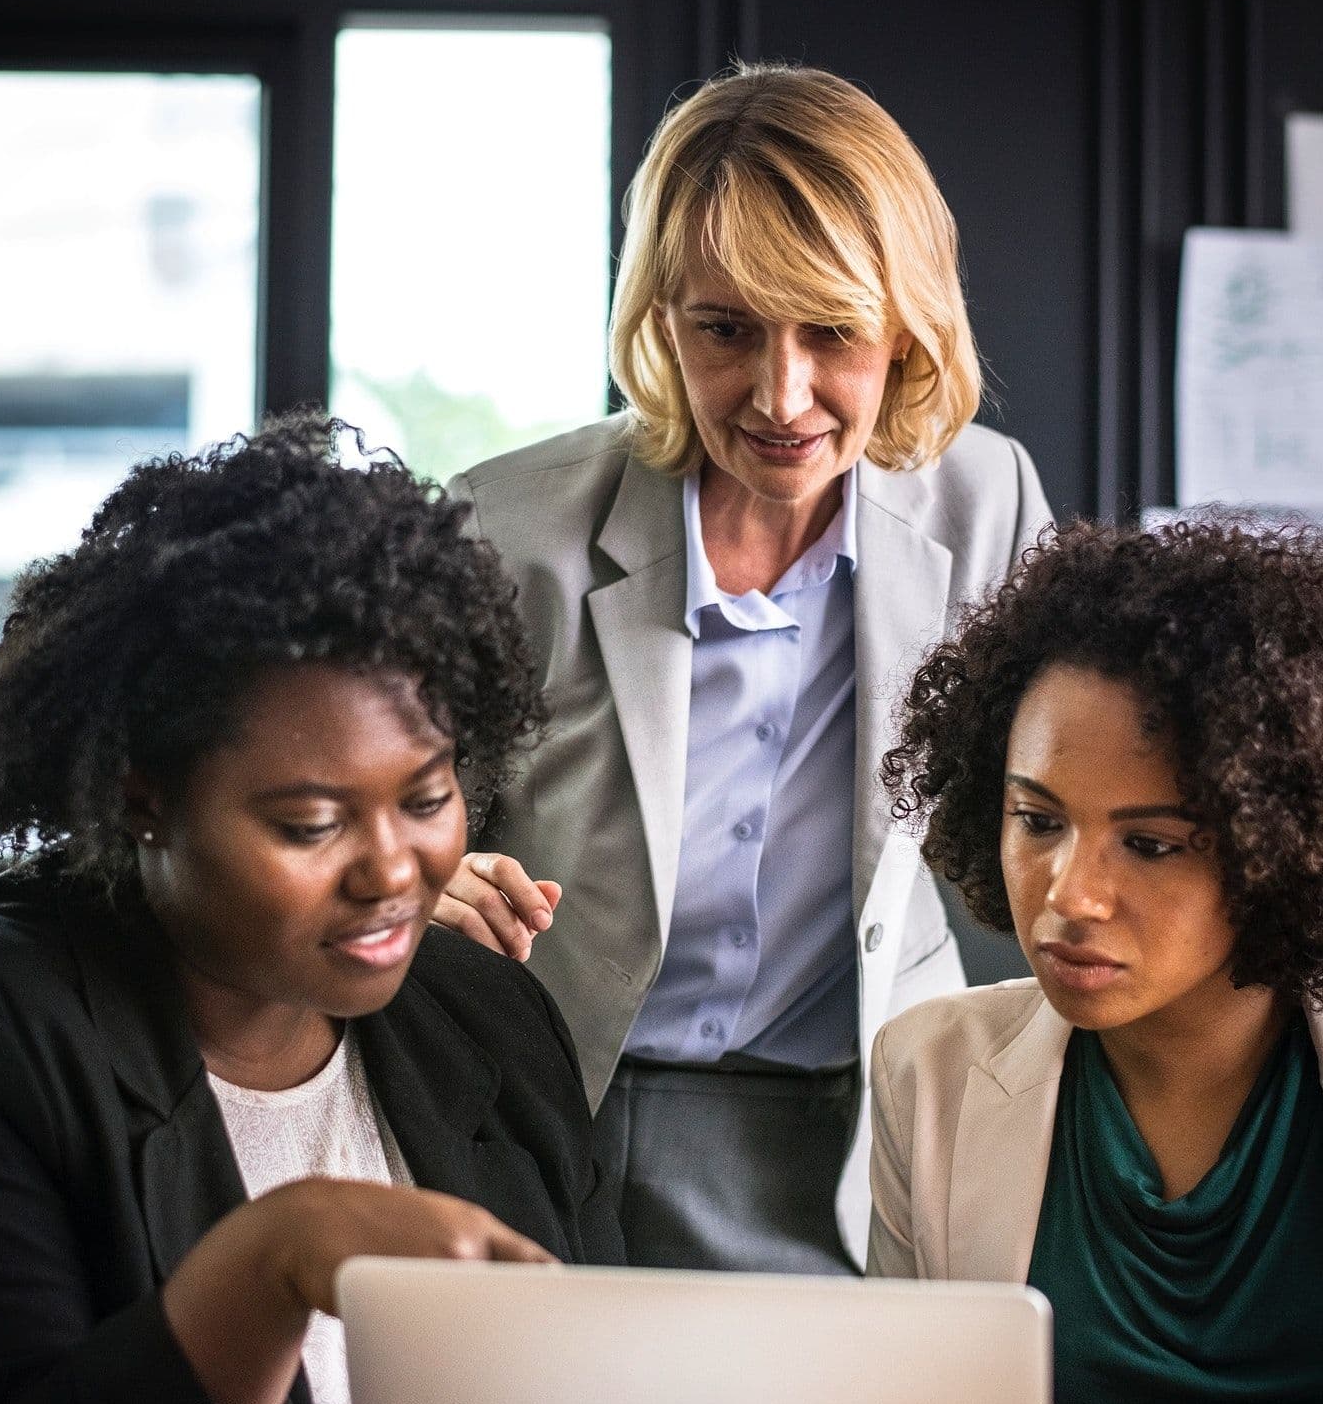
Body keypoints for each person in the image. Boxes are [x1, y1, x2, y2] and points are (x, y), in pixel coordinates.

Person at [0, 414, 623, 1404]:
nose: (391, 870)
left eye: (427, 798)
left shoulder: (485, 1014)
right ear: (142, 801)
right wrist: (274, 1257)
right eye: (310, 824)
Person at [435, 62, 1052, 1274]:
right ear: (660, 319)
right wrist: (427, 884)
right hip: (547, 1103)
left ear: (905, 327)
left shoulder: (984, 503)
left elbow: (1051, 806)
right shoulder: (504, 529)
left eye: (830, 331)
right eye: (724, 328)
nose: (780, 395)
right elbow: (393, 832)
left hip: (860, 1115)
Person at [872, 517, 1323, 1404]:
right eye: (1037, 821)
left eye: (1150, 844)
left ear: (1278, 842)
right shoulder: (927, 1070)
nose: (1070, 895)